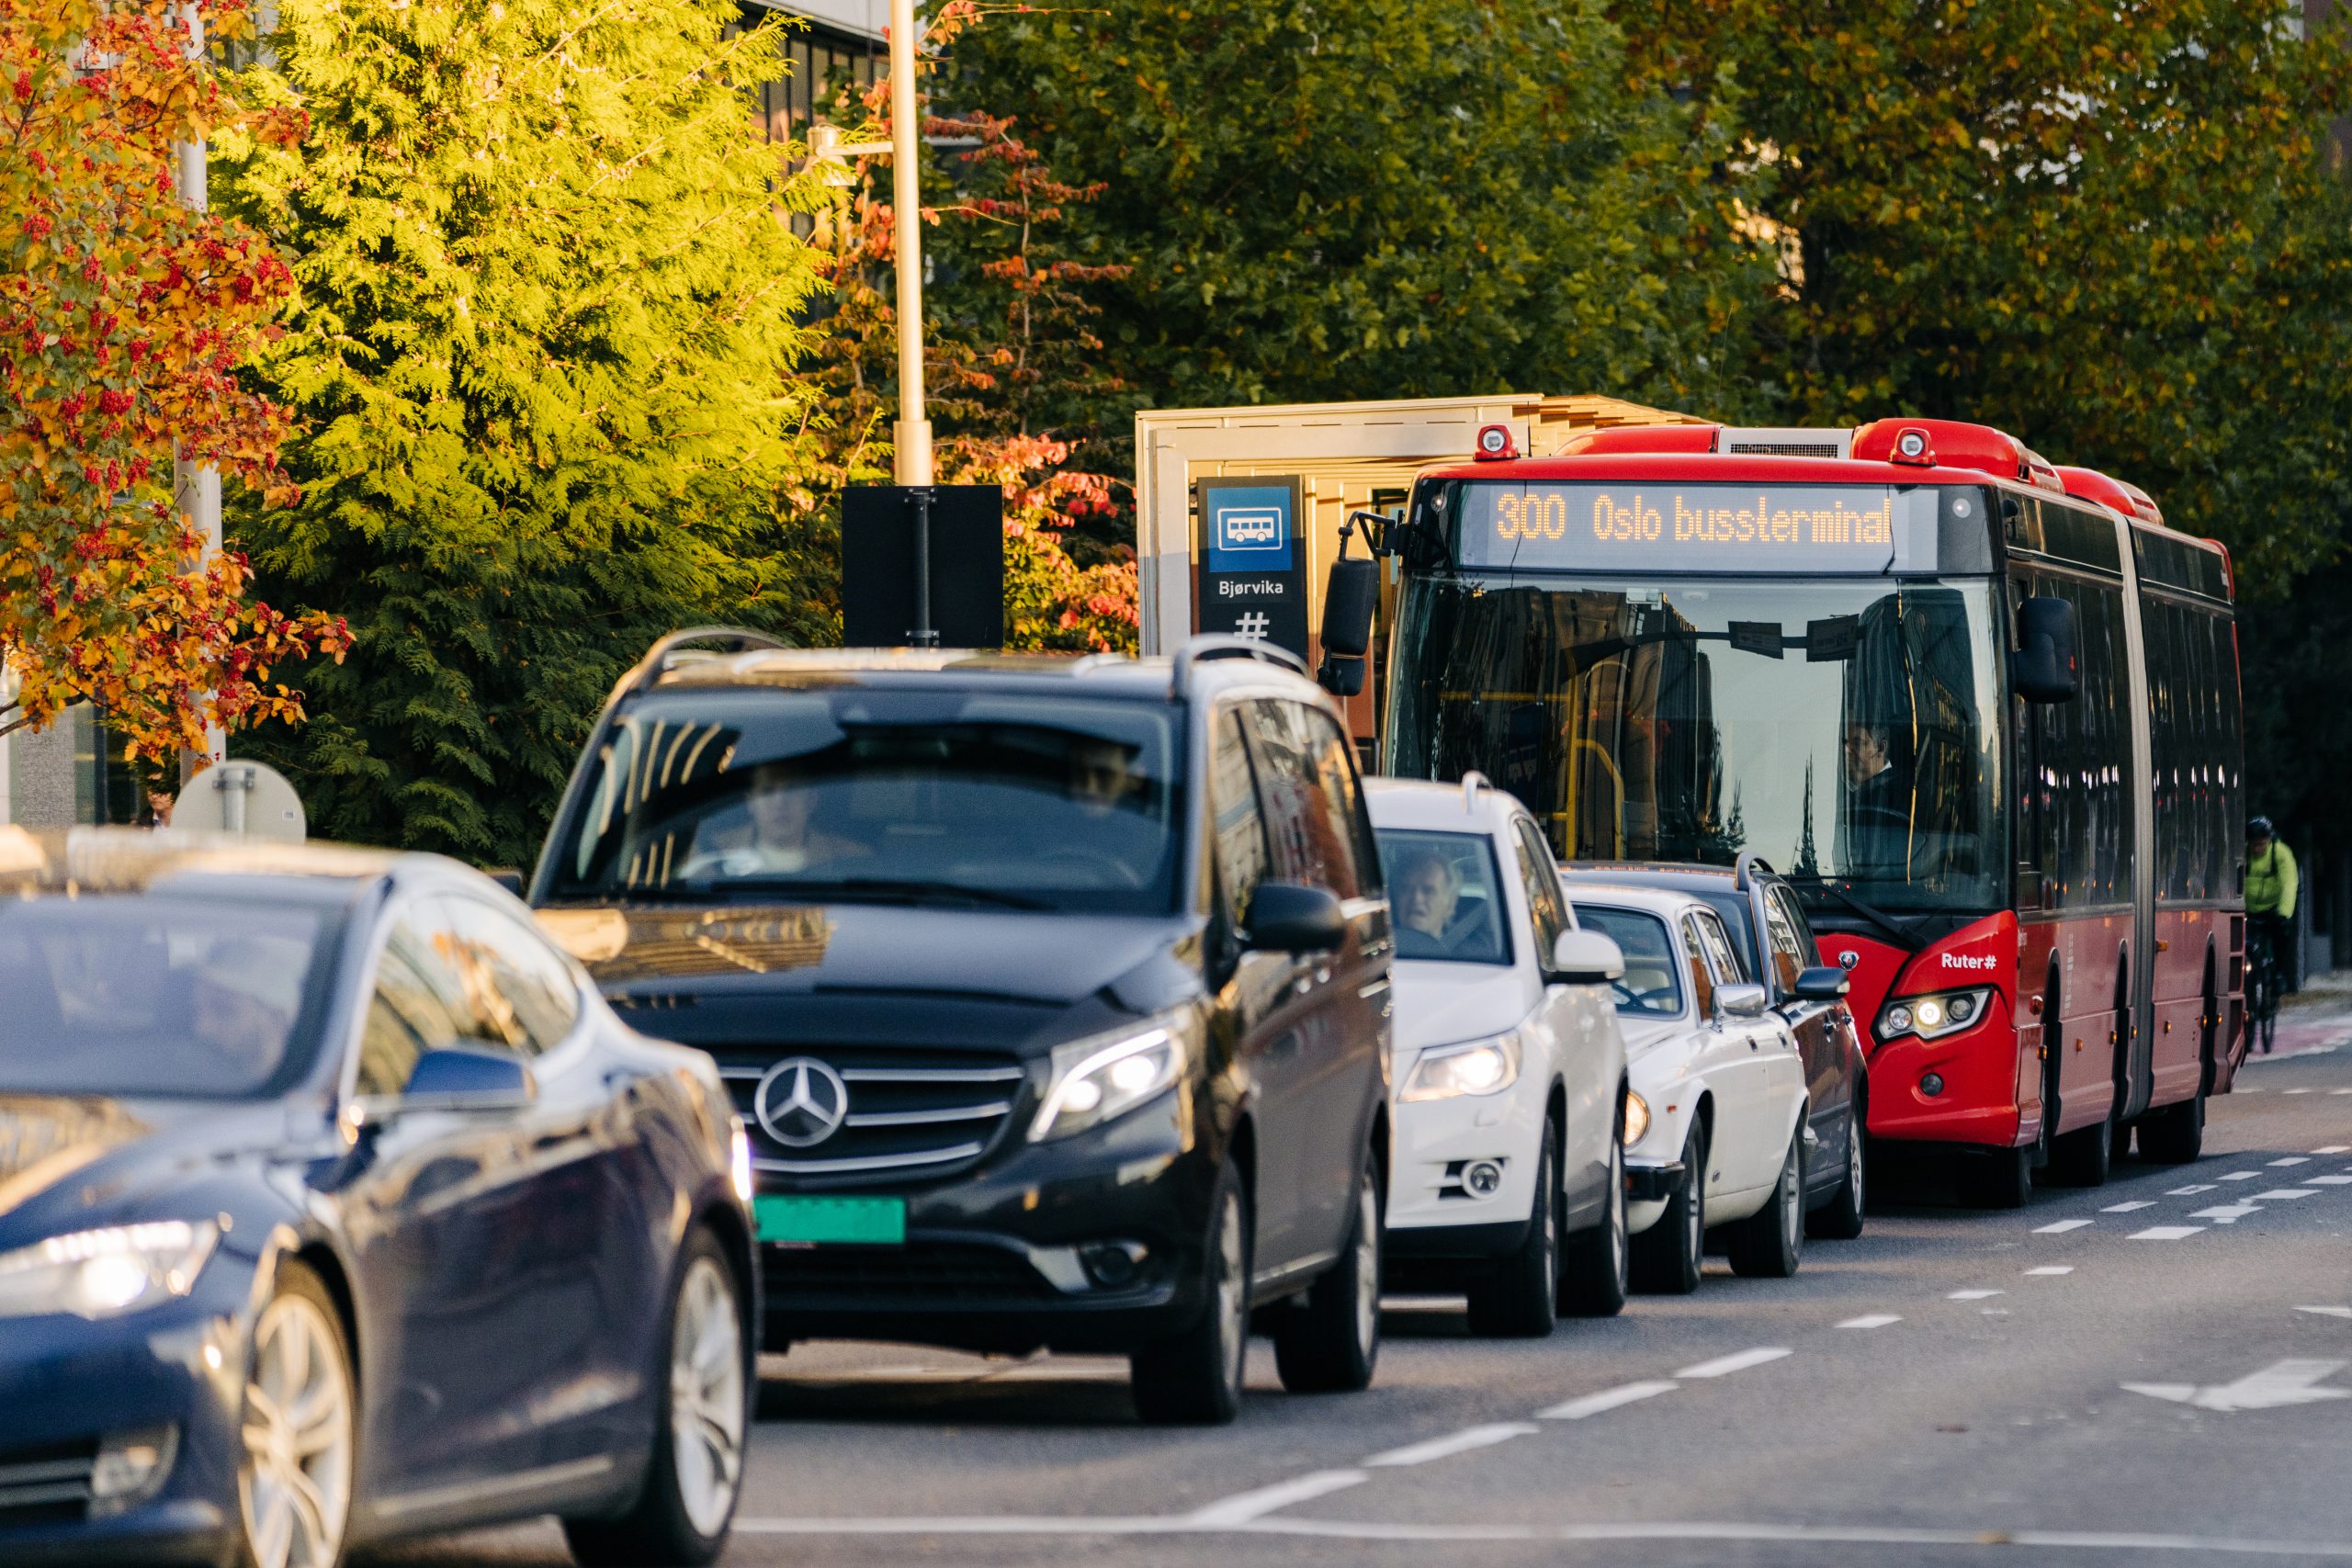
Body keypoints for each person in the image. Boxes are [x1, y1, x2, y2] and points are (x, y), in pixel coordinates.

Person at [684, 761, 866, 879]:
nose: (780, 803)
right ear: (750, 802)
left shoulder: (853, 859)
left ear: (811, 801)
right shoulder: (710, 855)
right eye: (767, 792)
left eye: (791, 791)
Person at [189, 937, 305, 1084]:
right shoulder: (190, 1085)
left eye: (224, 1011)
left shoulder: (308, 1091)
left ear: (276, 1019)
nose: (201, 1029)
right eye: (196, 1011)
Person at [1841, 720, 1912, 877]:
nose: (1848, 751)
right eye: (1846, 744)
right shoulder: (1841, 792)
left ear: (1881, 748)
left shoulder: (1903, 794)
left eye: (1858, 743)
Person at [2247, 816, 2299, 1020]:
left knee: (2282, 936)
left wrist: (2284, 913)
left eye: (2261, 844)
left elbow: (2289, 884)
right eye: (2254, 845)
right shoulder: (2243, 854)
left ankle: (2278, 975)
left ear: (2268, 841)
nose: (2257, 849)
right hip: (2249, 909)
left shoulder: (2281, 854)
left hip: (2273, 908)